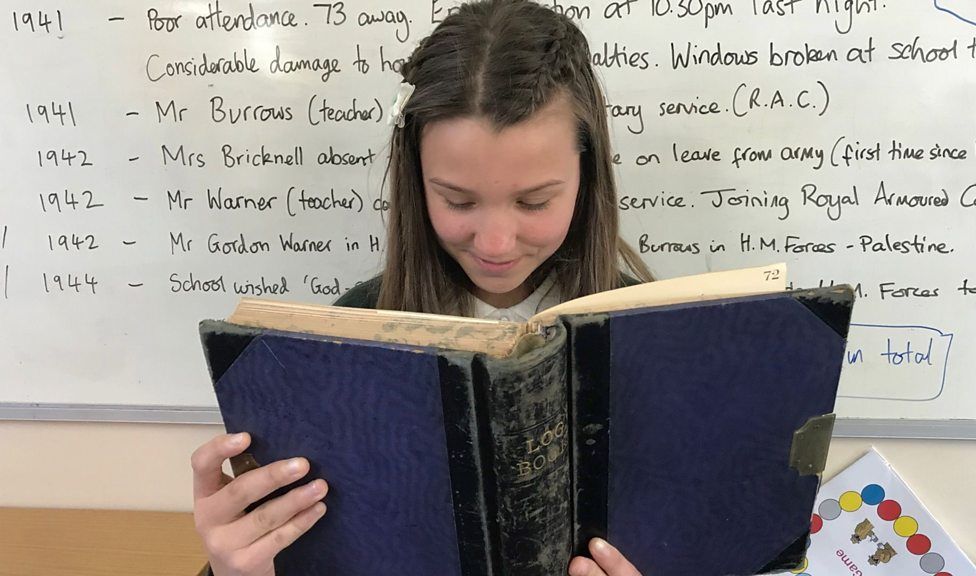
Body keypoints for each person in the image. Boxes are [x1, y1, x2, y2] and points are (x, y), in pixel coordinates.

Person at [190, 1, 654, 574]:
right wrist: (241, 567)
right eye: (458, 201)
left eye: (534, 201)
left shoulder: (650, 330)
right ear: (418, 182)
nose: (496, 243)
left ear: (587, 178)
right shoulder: (351, 333)